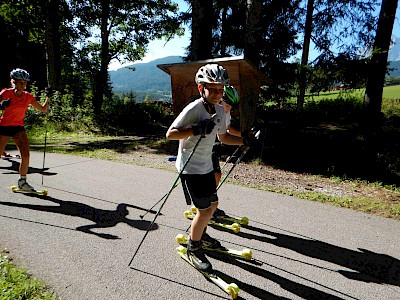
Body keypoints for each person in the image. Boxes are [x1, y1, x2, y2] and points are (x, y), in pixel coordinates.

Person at [166, 64, 250, 271]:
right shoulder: (194, 109)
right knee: (204, 211)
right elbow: (171, 134)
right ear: (200, 89)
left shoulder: (220, 110)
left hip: (206, 167)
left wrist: (245, 140)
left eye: (220, 89)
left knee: (212, 207)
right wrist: (195, 129)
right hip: (190, 168)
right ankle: (193, 248)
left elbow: (224, 137)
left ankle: (200, 236)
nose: (216, 93)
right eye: (211, 89)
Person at [0, 68, 49, 191]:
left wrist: (48, 97)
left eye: (25, 83)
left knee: (26, 154)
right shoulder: (6, 93)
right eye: (20, 82)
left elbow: (43, 109)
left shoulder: (27, 96)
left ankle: (22, 182)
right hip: (3, 127)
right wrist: (1, 105)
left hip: (18, 127)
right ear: (14, 82)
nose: (23, 85)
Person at [211, 85, 242, 218]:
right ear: (219, 100)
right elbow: (221, 135)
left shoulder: (225, 112)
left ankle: (208, 205)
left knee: (216, 176)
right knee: (215, 175)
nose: (229, 108)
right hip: (203, 147)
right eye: (227, 105)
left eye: (231, 106)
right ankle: (207, 207)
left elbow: (228, 129)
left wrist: (244, 136)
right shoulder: (212, 110)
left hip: (213, 147)